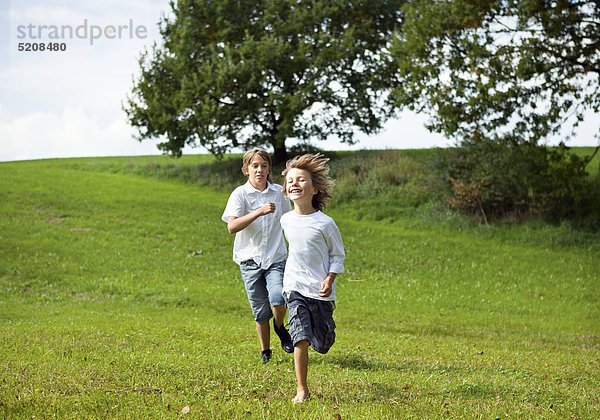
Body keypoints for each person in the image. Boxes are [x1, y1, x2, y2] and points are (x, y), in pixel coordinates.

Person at [279, 154, 345, 404]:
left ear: (314, 189)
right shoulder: (285, 219)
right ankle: (302, 389)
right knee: (300, 337)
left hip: (319, 291)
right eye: (290, 181)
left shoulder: (325, 223)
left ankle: (324, 336)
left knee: (323, 341)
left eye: (301, 180)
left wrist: (330, 279)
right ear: (287, 190)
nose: (294, 183)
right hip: (293, 287)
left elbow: (338, 256)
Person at [222, 148, 294, 363]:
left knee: (279, 298)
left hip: (275, 257)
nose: (259, 170)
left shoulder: (279, 194)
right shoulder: (240, 194)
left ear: (269, 168)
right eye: (255, 166)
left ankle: (280, 327)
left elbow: (290, 222)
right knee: (261, 310)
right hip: (249, 260)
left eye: (263, 166)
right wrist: (258, 211)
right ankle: (266, 352)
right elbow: (232, 227)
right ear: (246, 170)